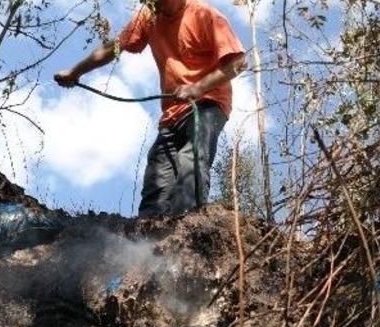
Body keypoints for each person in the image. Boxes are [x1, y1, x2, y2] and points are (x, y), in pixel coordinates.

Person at [55, 0, 246, 216]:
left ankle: (189, 230)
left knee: (191, 161)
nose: (154, 4)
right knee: (157, 177)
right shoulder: (149, 15)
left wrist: (197, 88)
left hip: (208, 103)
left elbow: (238, 63)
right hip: (172, 113)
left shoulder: (206, 16)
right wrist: (75, 71)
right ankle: (144, 238)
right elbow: (115, 47)